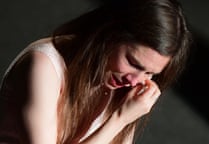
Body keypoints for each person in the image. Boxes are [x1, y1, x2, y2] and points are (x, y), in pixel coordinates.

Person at [0, 0, 191, 143]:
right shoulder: (44, 65)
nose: (135, 81)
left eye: (150, 73)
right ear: (109, 33)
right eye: (133, 62)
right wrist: (119, 119)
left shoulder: (124, 84)